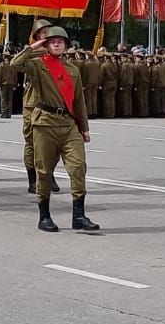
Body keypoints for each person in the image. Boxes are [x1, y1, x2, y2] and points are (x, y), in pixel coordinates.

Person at [12, 26, 99, 232]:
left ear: (66, 45)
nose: (57, 44)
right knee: (44, 171)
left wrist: (84, 127)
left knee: (78, 167)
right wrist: (34, 47)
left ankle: (79, 215)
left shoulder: (73, 70)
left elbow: (79, 102)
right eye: (52, 41)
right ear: (46, 45)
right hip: (45, 123)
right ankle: (44, 216)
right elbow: (16, 63)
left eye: (60, 41)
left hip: (68, 125)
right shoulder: (38, 65)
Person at [22, 20, 60, 194]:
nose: (46, 34)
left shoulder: (56, 50)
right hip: (33, 103)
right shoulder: (30, 52)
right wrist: (36, 48)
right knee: (31, 143)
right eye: (42, 32)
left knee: (55, 143)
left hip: (53, 102)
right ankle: (32, 179)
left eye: (48, 32)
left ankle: (48, 174)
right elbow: (17, 63)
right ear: (36, 35)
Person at [0, 53, 17, 118]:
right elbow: (15, 75)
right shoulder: (12, 65)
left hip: (4, 84)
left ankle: (4, 113)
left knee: (3, 99)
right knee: (9, 99)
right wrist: (15, 84)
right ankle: (9, 113)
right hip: (11, 84)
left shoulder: (1, 65)